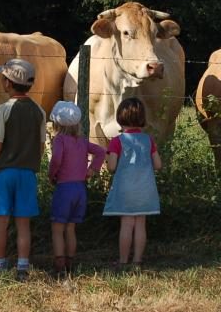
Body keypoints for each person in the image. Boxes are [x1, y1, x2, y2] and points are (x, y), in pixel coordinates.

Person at [0, 59, 46, 281]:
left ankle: (0, 265)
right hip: (27, 174)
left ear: (7, 83)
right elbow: (41, 145)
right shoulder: (39, 111)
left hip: (3, 173)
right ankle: (22, 267)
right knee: (23, 224)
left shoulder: (2, 110)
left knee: (1, 223)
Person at [103, 97, 162, 269]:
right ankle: (137, 260)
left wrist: (108, 157)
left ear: (120, 117)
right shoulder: (148, 140)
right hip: (145, 190)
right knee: (141, 224)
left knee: (127, 224)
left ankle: (123, 261)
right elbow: (158, 165)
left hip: (125, 190)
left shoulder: (117, 141)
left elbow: (112, 167)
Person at [48, 101, 105, 274]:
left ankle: (59, 265)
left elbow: (56, 159)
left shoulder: (60, 140)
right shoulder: (82, 142)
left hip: (64, 189)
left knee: (57, 229)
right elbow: (101, 152)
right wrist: (91, 171)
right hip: (80, 190)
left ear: (56, 124)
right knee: (71, 228)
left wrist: (51, 174)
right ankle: (70, 263)